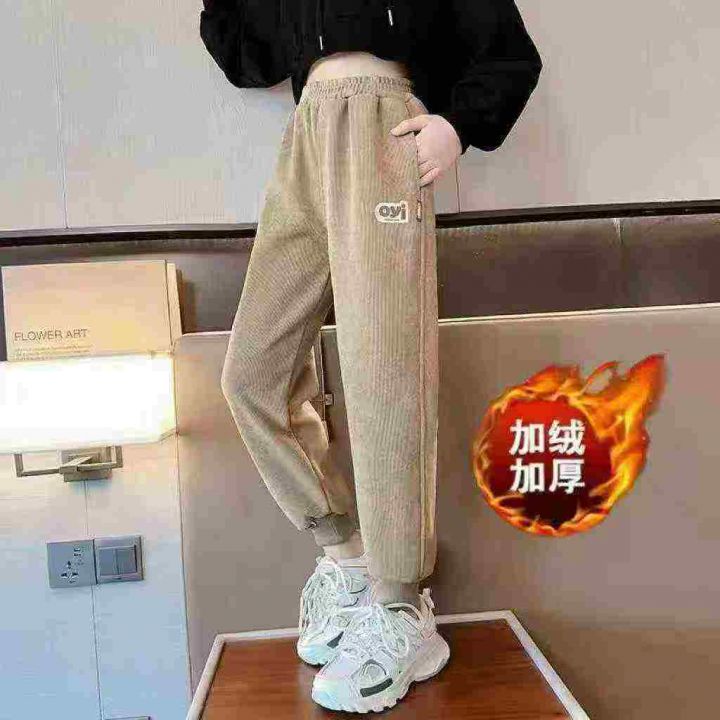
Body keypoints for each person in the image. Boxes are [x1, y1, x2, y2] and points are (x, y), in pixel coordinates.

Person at [199, 0, 542, 712]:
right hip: (306, 135)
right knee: (254, 375)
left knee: (386, 371)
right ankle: (349, 558)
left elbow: (509, 52)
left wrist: (457, 126)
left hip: (383, 127)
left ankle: (399, 606)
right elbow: (249, 59)